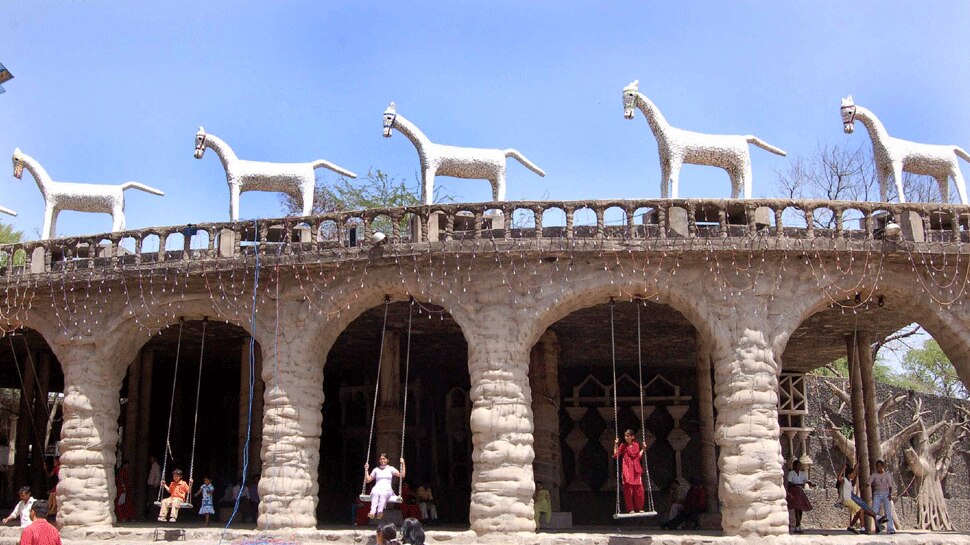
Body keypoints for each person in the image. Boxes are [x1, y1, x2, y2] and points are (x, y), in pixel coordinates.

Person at [612, 429, 646, 513]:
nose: (626, 438)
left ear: (632, 437)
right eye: (625, 436)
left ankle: (639, 507)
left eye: (628, 436)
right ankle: (630, 509)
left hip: (635, 469)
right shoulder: (623, 446)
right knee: (628, 490)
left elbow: (637, 456)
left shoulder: (636, 445)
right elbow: (616, 455)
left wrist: (643, 449)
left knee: (639, 490)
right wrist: (616, 444)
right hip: (627, 469)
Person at [365, 453, 406, 520]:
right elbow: (368, 480)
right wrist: (366, 470)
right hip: (377, 488)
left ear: (387, 460)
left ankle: (380, 511)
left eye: (384, 459)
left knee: (383, 494)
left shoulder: (391, 469)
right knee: (374, 492)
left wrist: (403, 463)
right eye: (381, 459)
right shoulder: (376, 470)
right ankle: (372, 512)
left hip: (387, 489)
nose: (382, 460)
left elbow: (402, 475)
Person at [785, 459, 814, 533]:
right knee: (797, 509)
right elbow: (790, 484)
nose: (799, 466)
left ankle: (798, 525)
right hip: (794, 491)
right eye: (798, 465)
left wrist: (810, 483)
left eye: (800, 465)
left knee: (800, 509)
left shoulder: (803, 473)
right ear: (794, 466)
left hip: (800, 491)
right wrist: (799, 485)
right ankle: (797, 526)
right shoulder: (791, 473)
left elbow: (806, 480)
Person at [868, 460, 896, 535]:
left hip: (886, 493)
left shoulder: (887, 475)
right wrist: (865, 486)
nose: (878, 467)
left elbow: (890, 486)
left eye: (880, 466)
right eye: (877, 466)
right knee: (874, 510)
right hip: (877, 493)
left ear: (883, 466)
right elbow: (868, 483)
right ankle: (878, 526)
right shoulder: (874, 475)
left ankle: (890, 529)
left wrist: (890, 494)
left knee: (888, 511)